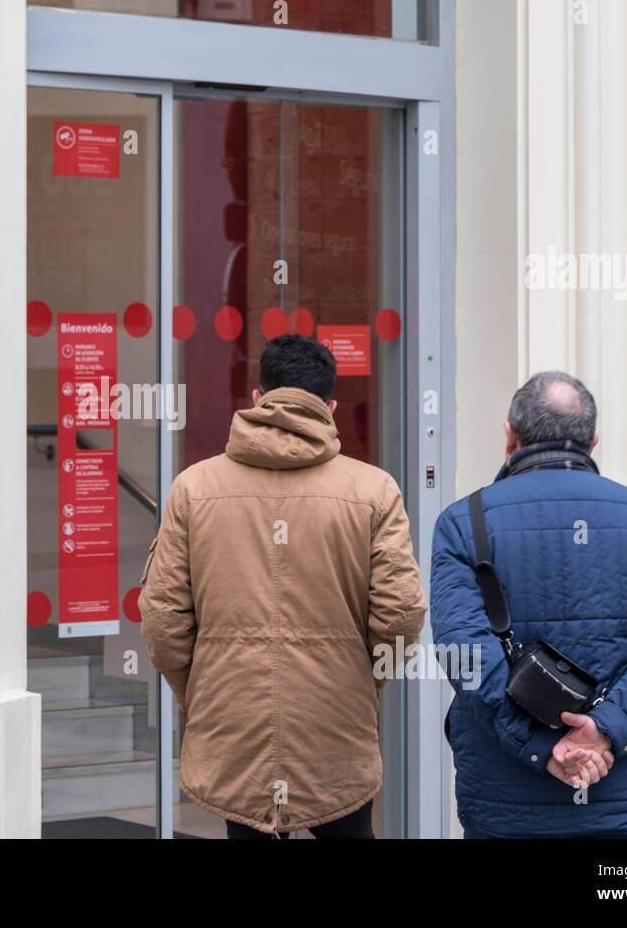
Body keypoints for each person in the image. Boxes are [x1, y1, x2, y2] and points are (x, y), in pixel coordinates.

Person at [137, 334, 427, 839]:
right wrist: (362, 678)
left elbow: (163, 620)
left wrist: (201, 688)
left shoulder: (194, 487)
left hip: (232, 714)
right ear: (331, 407)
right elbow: (401, 614)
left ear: (257, 398)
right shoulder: (374, 489)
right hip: (336, 721)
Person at [430, 371, 627, 838]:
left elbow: (464, 652)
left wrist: (544, 746)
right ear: (593, 441)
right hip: (621, 796)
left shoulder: (464, 523)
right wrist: (604, 729)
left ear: (509, 436)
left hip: (505, 801)